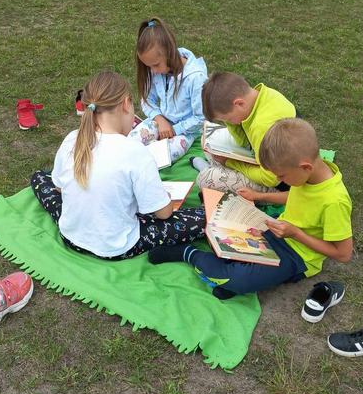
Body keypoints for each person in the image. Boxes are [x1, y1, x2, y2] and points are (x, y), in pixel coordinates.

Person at [149, 118, 352, 300]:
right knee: (225, 234)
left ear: (305, 167)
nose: (278, 180)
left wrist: (296, 233)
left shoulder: (335, 201)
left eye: (281, 176)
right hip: (276, 231)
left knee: (237, 279)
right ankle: (232, 279)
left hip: (297, 256)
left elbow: (343, 254)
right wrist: (259, 196)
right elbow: (297, 197)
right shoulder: (308, 175)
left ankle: (188, 253)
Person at [30, 71, 206, 259]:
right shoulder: (135, 151)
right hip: (117, 245)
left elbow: (58, 187)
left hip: (71, 235)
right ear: (126, 104)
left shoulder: (73, 138)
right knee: (203, 218)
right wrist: (166, 198)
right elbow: (163, 214)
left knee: (40, 178)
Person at [193, 72, 296, 196]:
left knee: (205, 180)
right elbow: (243, 142)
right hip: (265, 160)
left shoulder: (261, 127)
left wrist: (231, 163)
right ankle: (215, 169)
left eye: (228, 119)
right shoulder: (265, 94)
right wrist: (232, 123)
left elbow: (270, 179)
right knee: (211, 148)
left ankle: (211, 170)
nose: (231, 123)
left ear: (239, 104)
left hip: (283, 184)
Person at [129, 17, 208, 163]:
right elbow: (147, 100)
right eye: (148, 66)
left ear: (169, 52)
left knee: (160, 156)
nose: (153, 70)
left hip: (185, 132)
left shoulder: (196, 78)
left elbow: (201, 118)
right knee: (130, 143)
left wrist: (174, 129)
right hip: (160, 122)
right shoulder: (156, 69)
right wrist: (160, 119)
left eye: (155, 65)